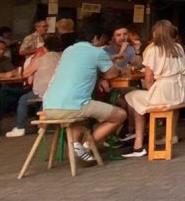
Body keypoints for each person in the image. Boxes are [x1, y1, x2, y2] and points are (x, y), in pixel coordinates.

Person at [41, 31, 126, 164]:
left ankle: (75, 149)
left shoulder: (68, 50)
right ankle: (85, 146)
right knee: (119, 115)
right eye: (102, 39)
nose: (103, 43)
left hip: (48, 106)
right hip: (74, 105)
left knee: (82, 120)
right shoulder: (96, 52)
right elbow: (111, 74)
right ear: (95, 38)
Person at [122, 20, 185, 158]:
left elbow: (148, 79)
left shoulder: (153, 50)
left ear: (155, 33)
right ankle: (169, 135)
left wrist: (152, 89)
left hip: (164, 90)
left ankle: (138, 143)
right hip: (181, 91)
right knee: (149, 101)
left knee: (133, 97)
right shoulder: (178, 47)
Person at [7, 34, 63, 137]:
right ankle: (42, 126)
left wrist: (35, 57)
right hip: (59, 92)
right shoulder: (63, 57)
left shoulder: (41, 59)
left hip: (41, 91)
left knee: (23, 100)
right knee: (45, 102)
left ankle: (20, 128)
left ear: (45, 47)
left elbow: (25, 73)